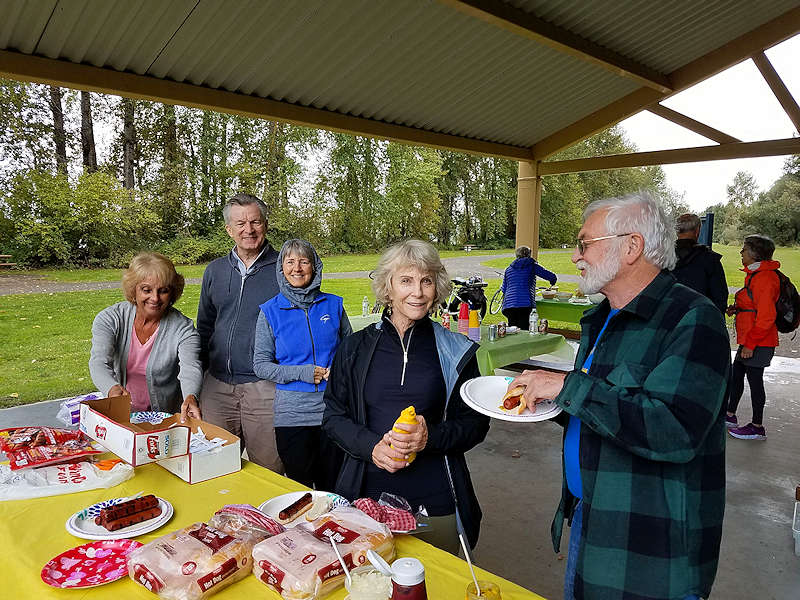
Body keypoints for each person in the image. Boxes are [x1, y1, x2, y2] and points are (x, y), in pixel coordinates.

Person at [508, 192, 730, 600]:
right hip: (591, 519)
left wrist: (567, 386)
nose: (576, 256)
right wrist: (549, 399)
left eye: (584, 243)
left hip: (650, 546)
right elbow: (605, 406)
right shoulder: (603, 317)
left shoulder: (693, 319)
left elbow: (674, 429)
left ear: (632, 246)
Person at [323, 239, 490, 553]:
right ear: (388, 287)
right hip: (366, 494)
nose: (418, 292)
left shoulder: (457, 351)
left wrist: (430, 438)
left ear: (437, 287)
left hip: (436, 496)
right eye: (406, 281)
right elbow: (333, 416)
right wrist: (370, 446)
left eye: (426, 281)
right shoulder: (354, 348)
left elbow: (475, 424)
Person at [253, 239, 352, 489]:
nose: (297, 268)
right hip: (292, 416)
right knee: (301, 491)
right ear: (281, 268)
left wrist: (340, 370)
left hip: (333, 411)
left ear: (315, 266)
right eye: (290, 262)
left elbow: (351, 352)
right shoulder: (269, 311)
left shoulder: (334, 305)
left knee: (334, 487)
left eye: (304, 261)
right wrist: (304, 373)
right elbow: (261, 365)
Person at [196, 193, 283, 472]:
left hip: (265, 387)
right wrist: (201, 377)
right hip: (217, 386)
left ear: (266, 224)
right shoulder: (215, 271)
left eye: (255, 221)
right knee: (214, 468)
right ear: (229, 229)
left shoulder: (285, 269)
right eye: (241, 223)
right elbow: (205, 325)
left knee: (268, 470)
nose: (249, 230)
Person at [89, 252, 201, 422]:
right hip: (121, 414)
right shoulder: (110, 318)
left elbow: (190, 368)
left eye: (163, 291)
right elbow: (99, 362)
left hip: (164, 417)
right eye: (146, 290)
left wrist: (191, 397)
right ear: (134, 289)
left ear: (172, 293)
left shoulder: (183, 328)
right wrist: (111, 389)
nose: (154, 298)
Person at [725, 234, 780, 441]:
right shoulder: (757, 275)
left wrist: (750, 344)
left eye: (744, 249)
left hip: (758, 342)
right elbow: (754, 305)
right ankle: (729, 415)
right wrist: (738, 308)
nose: (741, 253)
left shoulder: (765, 278)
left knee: (755, 382)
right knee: (737, 375)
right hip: (751, 340)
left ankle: (757, 427)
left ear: (755, 253)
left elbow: (766, 317)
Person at [672, 213, 728, 312]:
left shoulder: (661, 257)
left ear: (677, 231)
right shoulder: (710, 259)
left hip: (666, 316)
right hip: (699, 317)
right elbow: (720, 297)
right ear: (697, 231)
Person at [500, 246, 557, 329]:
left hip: (509, 305)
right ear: (529, 254)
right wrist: (552, 282)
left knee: (513, 330)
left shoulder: (509, 269)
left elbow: (504, 289)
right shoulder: (531, 265)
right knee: (524, 331)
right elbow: (550, 276)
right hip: (524, 303)